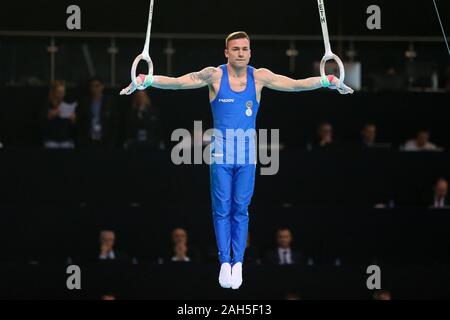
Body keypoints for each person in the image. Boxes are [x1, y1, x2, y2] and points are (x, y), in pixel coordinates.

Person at [120, 31, 353, 290]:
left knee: (240, 209)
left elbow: (296, 85)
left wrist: (328, 79)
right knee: (221, 209)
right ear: (226, 52)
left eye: (245, 49)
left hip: (247, 157)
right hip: (220, 155)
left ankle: (238, 262)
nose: (241, 53)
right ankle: (224, 262)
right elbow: (177, 82)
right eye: (236, 49)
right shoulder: (214, 76)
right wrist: (146, 79)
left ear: (250, 52)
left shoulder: (260, 77)